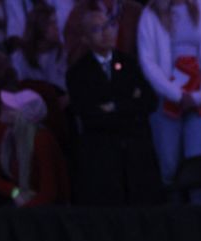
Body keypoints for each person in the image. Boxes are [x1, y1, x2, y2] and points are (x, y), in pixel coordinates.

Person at [66, 8, 160, 205]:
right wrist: (128, 103)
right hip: (102, 156)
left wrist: (113, 106)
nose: (106, 32)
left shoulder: (129, 63)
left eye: (108, 26)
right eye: (96, 29)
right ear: (85, 38)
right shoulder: (78, 72)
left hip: (135, 153)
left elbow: (149, 101)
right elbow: (88, 113)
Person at [137, 0, 201, 190]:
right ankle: (172, 214)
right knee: (169, 166)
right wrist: (176, 94)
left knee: (198, 167)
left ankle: (199, 214)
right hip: (165, 98)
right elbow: (147, 61)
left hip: (200, 98)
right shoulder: (150, 14)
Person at [0, 89, 68, 206]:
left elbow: (49, 191)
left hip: (43, 209)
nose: (3, 107)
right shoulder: (2, 132)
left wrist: (24, 210)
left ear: (23, 115)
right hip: (18, 202)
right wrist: (14, 192)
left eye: (11, 107)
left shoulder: (42, 139)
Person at [64, 0, 143, 67]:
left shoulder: (135, 11)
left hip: (130, 76)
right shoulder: (78, 14)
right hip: (93, 78)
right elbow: (73, 57)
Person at [11, 4, 67, 92]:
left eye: (56, 22)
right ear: (40, 26)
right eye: (52, 23)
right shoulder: (19, 58)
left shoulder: (63, 54)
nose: (57, 27)